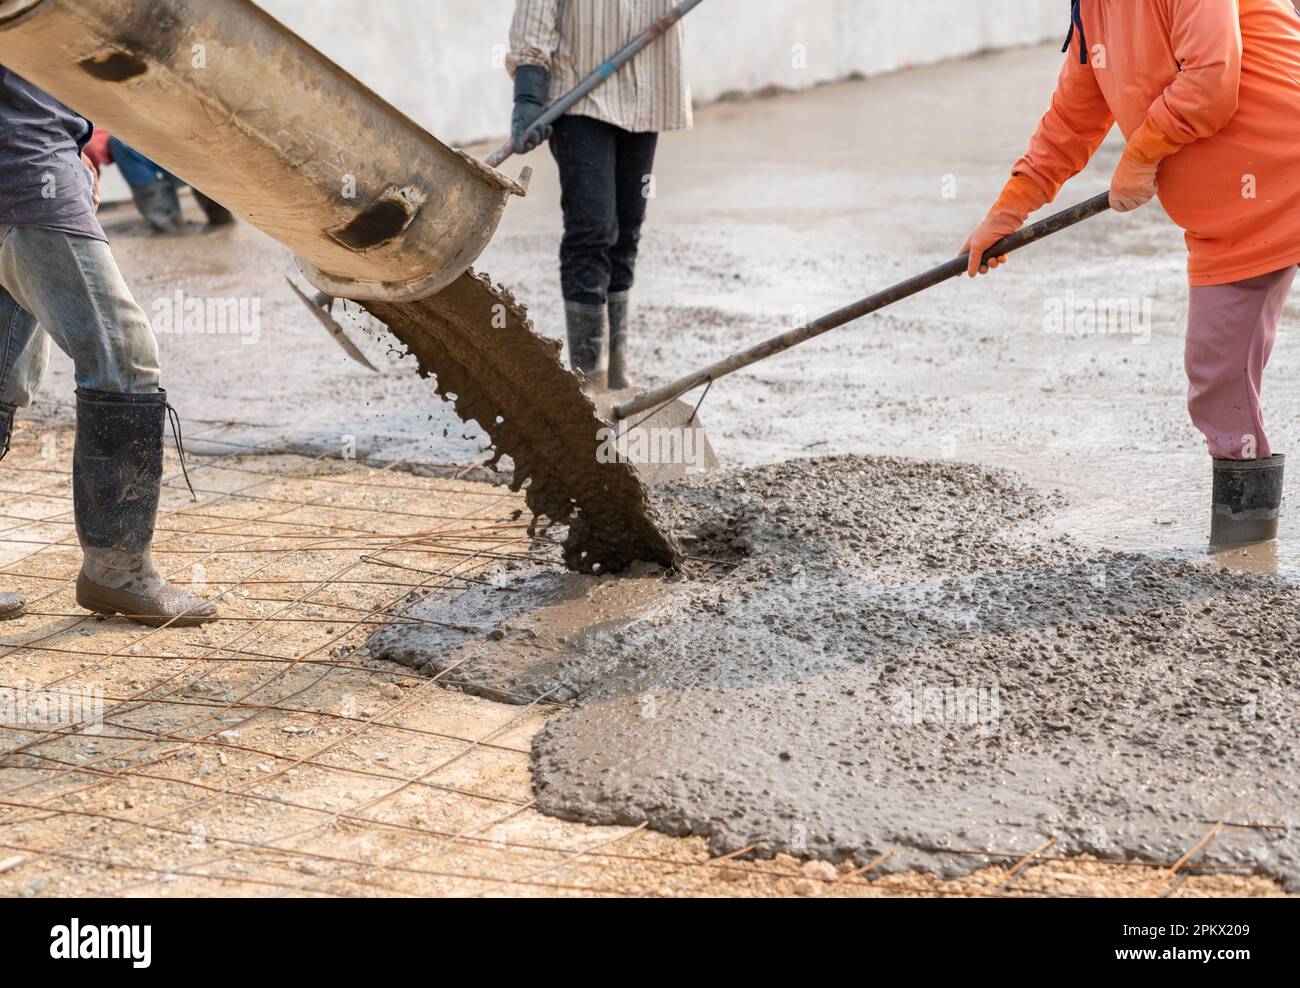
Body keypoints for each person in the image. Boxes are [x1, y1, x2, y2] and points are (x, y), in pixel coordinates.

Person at [962, 0, 1300, 547]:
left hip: (1291, 160)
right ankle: (1243, 555)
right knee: (1216, 383)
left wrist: (1141, 155)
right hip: (1226, 224)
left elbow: (1212, 78)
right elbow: (1071, 121)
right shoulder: (1093, 8)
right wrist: (1008, 211)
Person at [0, 65, 217, 625]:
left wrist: (78, 148)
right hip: (25, 171)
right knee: (124, 359)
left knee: (3, 375)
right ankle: (117, 572)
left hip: (30, 159)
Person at [507, 0, 692, 390]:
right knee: (591, 232)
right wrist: (529, 93)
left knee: (626, 234)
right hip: (580, 94)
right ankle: (589, 380)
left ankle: (616, 372)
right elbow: (535, 13)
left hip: (647, 88)